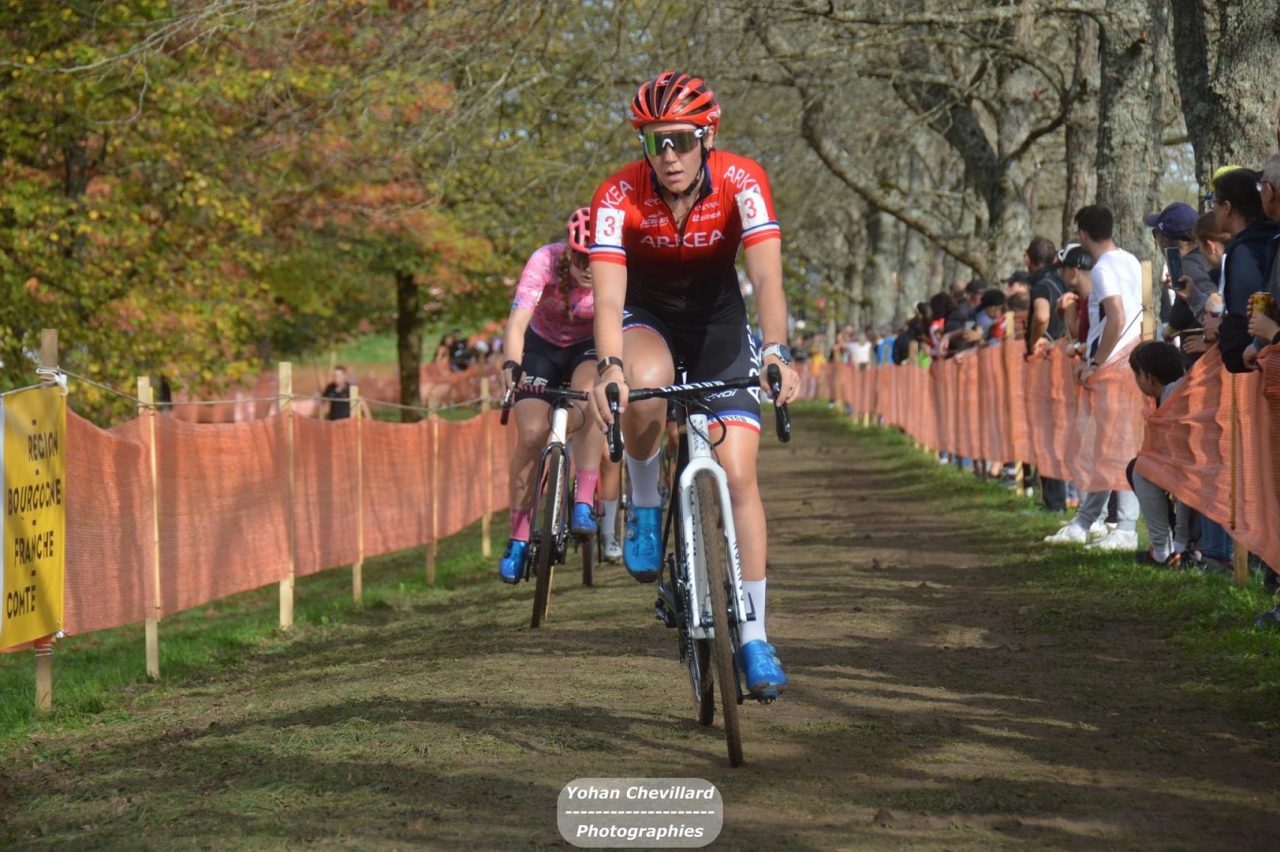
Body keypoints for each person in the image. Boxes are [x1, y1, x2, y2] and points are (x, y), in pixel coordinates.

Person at [587, 70, 800, 699]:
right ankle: (647, 506)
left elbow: (767, 281)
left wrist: (779, 352)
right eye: (656, 143)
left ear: (707, 136)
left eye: (680, 139)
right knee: (643, 384)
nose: (669, 155)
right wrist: (610, 369)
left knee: (738, 475)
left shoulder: (743, 180)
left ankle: (756, 636)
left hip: (718, 323)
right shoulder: (616, 194)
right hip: (648, 320)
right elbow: (605, 303)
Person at [497, 208, 616, 583]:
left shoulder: (613, 270)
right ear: (568, 250)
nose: (585, 266)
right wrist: (510, 365)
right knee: (531, 434)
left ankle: (583, 499)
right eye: (579, 256)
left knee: (588, 396)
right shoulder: (544, 261)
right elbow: (517, 322)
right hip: (542, 347)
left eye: (592, 257)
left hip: (587, 348)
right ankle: (517, 538)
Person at [1044, 207, 1142, 550]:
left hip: (1113, 367)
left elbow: (1115, 316)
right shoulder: (1130, 260)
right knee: (1105, 448)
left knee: (1118, 448)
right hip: (1127, 360)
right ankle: (1088, 520)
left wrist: (1097, 362)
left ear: (1083, 234)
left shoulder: (1102, 269)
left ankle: (1126, 528)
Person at [1209, 167, 1280, 372]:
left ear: (1227, 207)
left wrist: (1223, 330)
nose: (1212, 210)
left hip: (1261, 368)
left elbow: (1247, 320)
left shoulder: (1244, 251)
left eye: (1213, 203)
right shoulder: (1268, 236)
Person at [1126, 341, 1187, 566]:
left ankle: (1163, 549)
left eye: (1137, 375)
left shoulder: (1173, 396)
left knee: (1141, 469)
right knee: (1140, 466)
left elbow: (1188, 473)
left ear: (1149, 378)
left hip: (1197, 481)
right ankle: (1172, 546)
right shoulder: (1177, 389)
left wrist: (1181, 541)